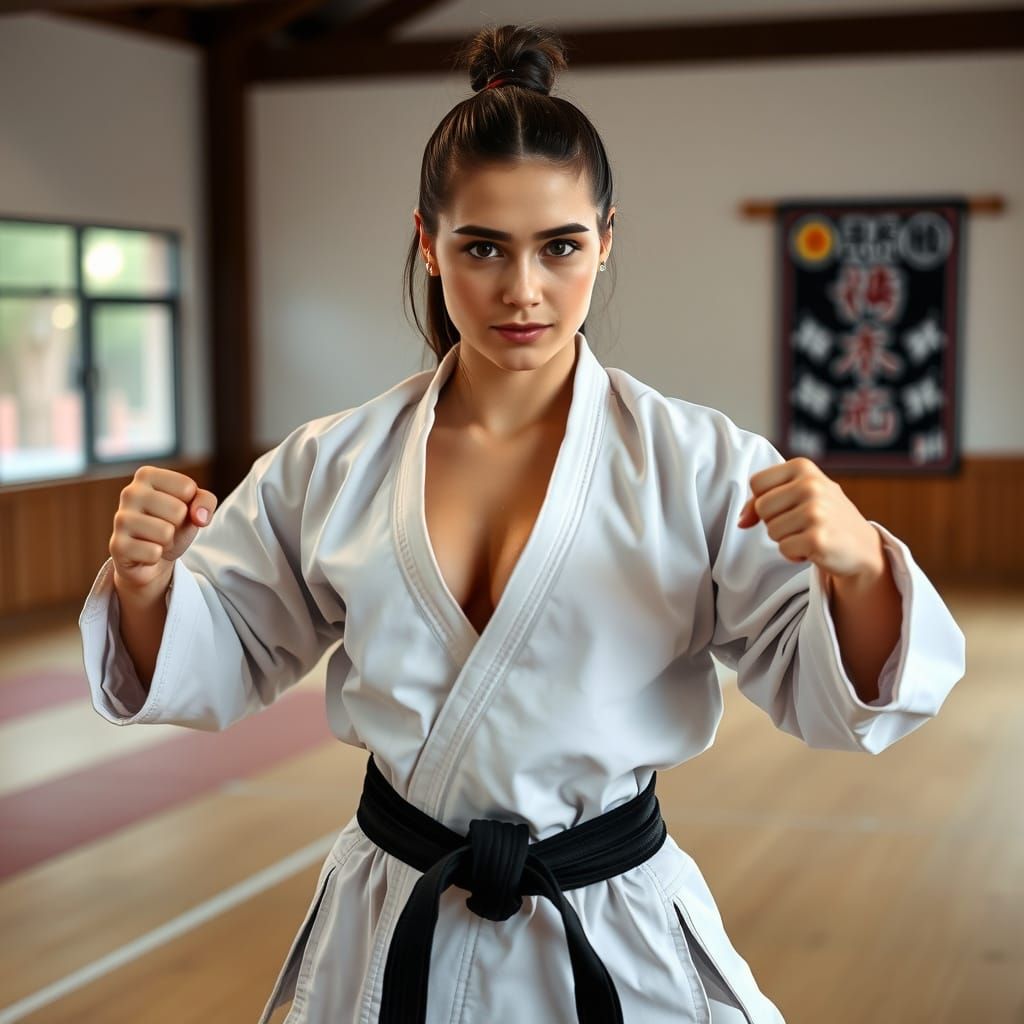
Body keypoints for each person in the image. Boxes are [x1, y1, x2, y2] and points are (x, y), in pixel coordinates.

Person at [79, 23, 966, 1024]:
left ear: (607, 238)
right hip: (392, 923)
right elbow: (223, 650)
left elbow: (839, 700)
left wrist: (854, 570)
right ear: (427, 240)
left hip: (608, 923)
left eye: (561, 246)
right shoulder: (334, 462)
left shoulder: (697, 462)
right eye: (482, 247)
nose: (523, 290)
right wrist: (151, 587)